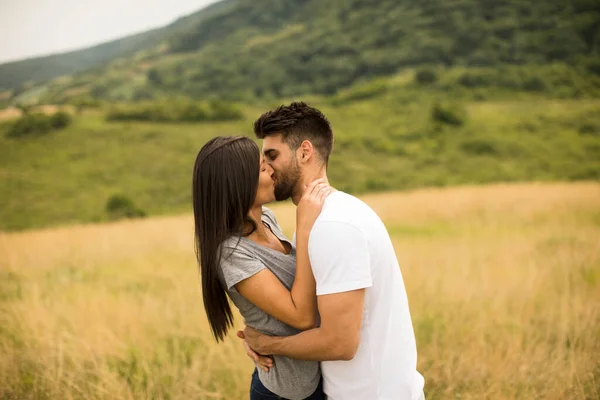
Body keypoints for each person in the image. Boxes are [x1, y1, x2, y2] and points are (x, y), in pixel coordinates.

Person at [239, 102, 425, 400]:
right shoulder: (320, 220)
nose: (265, 167)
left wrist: (269, 345)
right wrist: (256, 336)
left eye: (272, 155)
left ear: (304, 152)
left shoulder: (334, 226)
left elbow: (339, 343)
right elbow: (311, 313)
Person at [192, 136, 334, 400]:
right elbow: (301, 317)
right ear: (239, 184)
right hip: (286, 392)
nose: (271, 170)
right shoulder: (231, 254)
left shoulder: (267, 218)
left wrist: (263, 339)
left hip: (316, 378)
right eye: (262, 167)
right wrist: (303, 227)